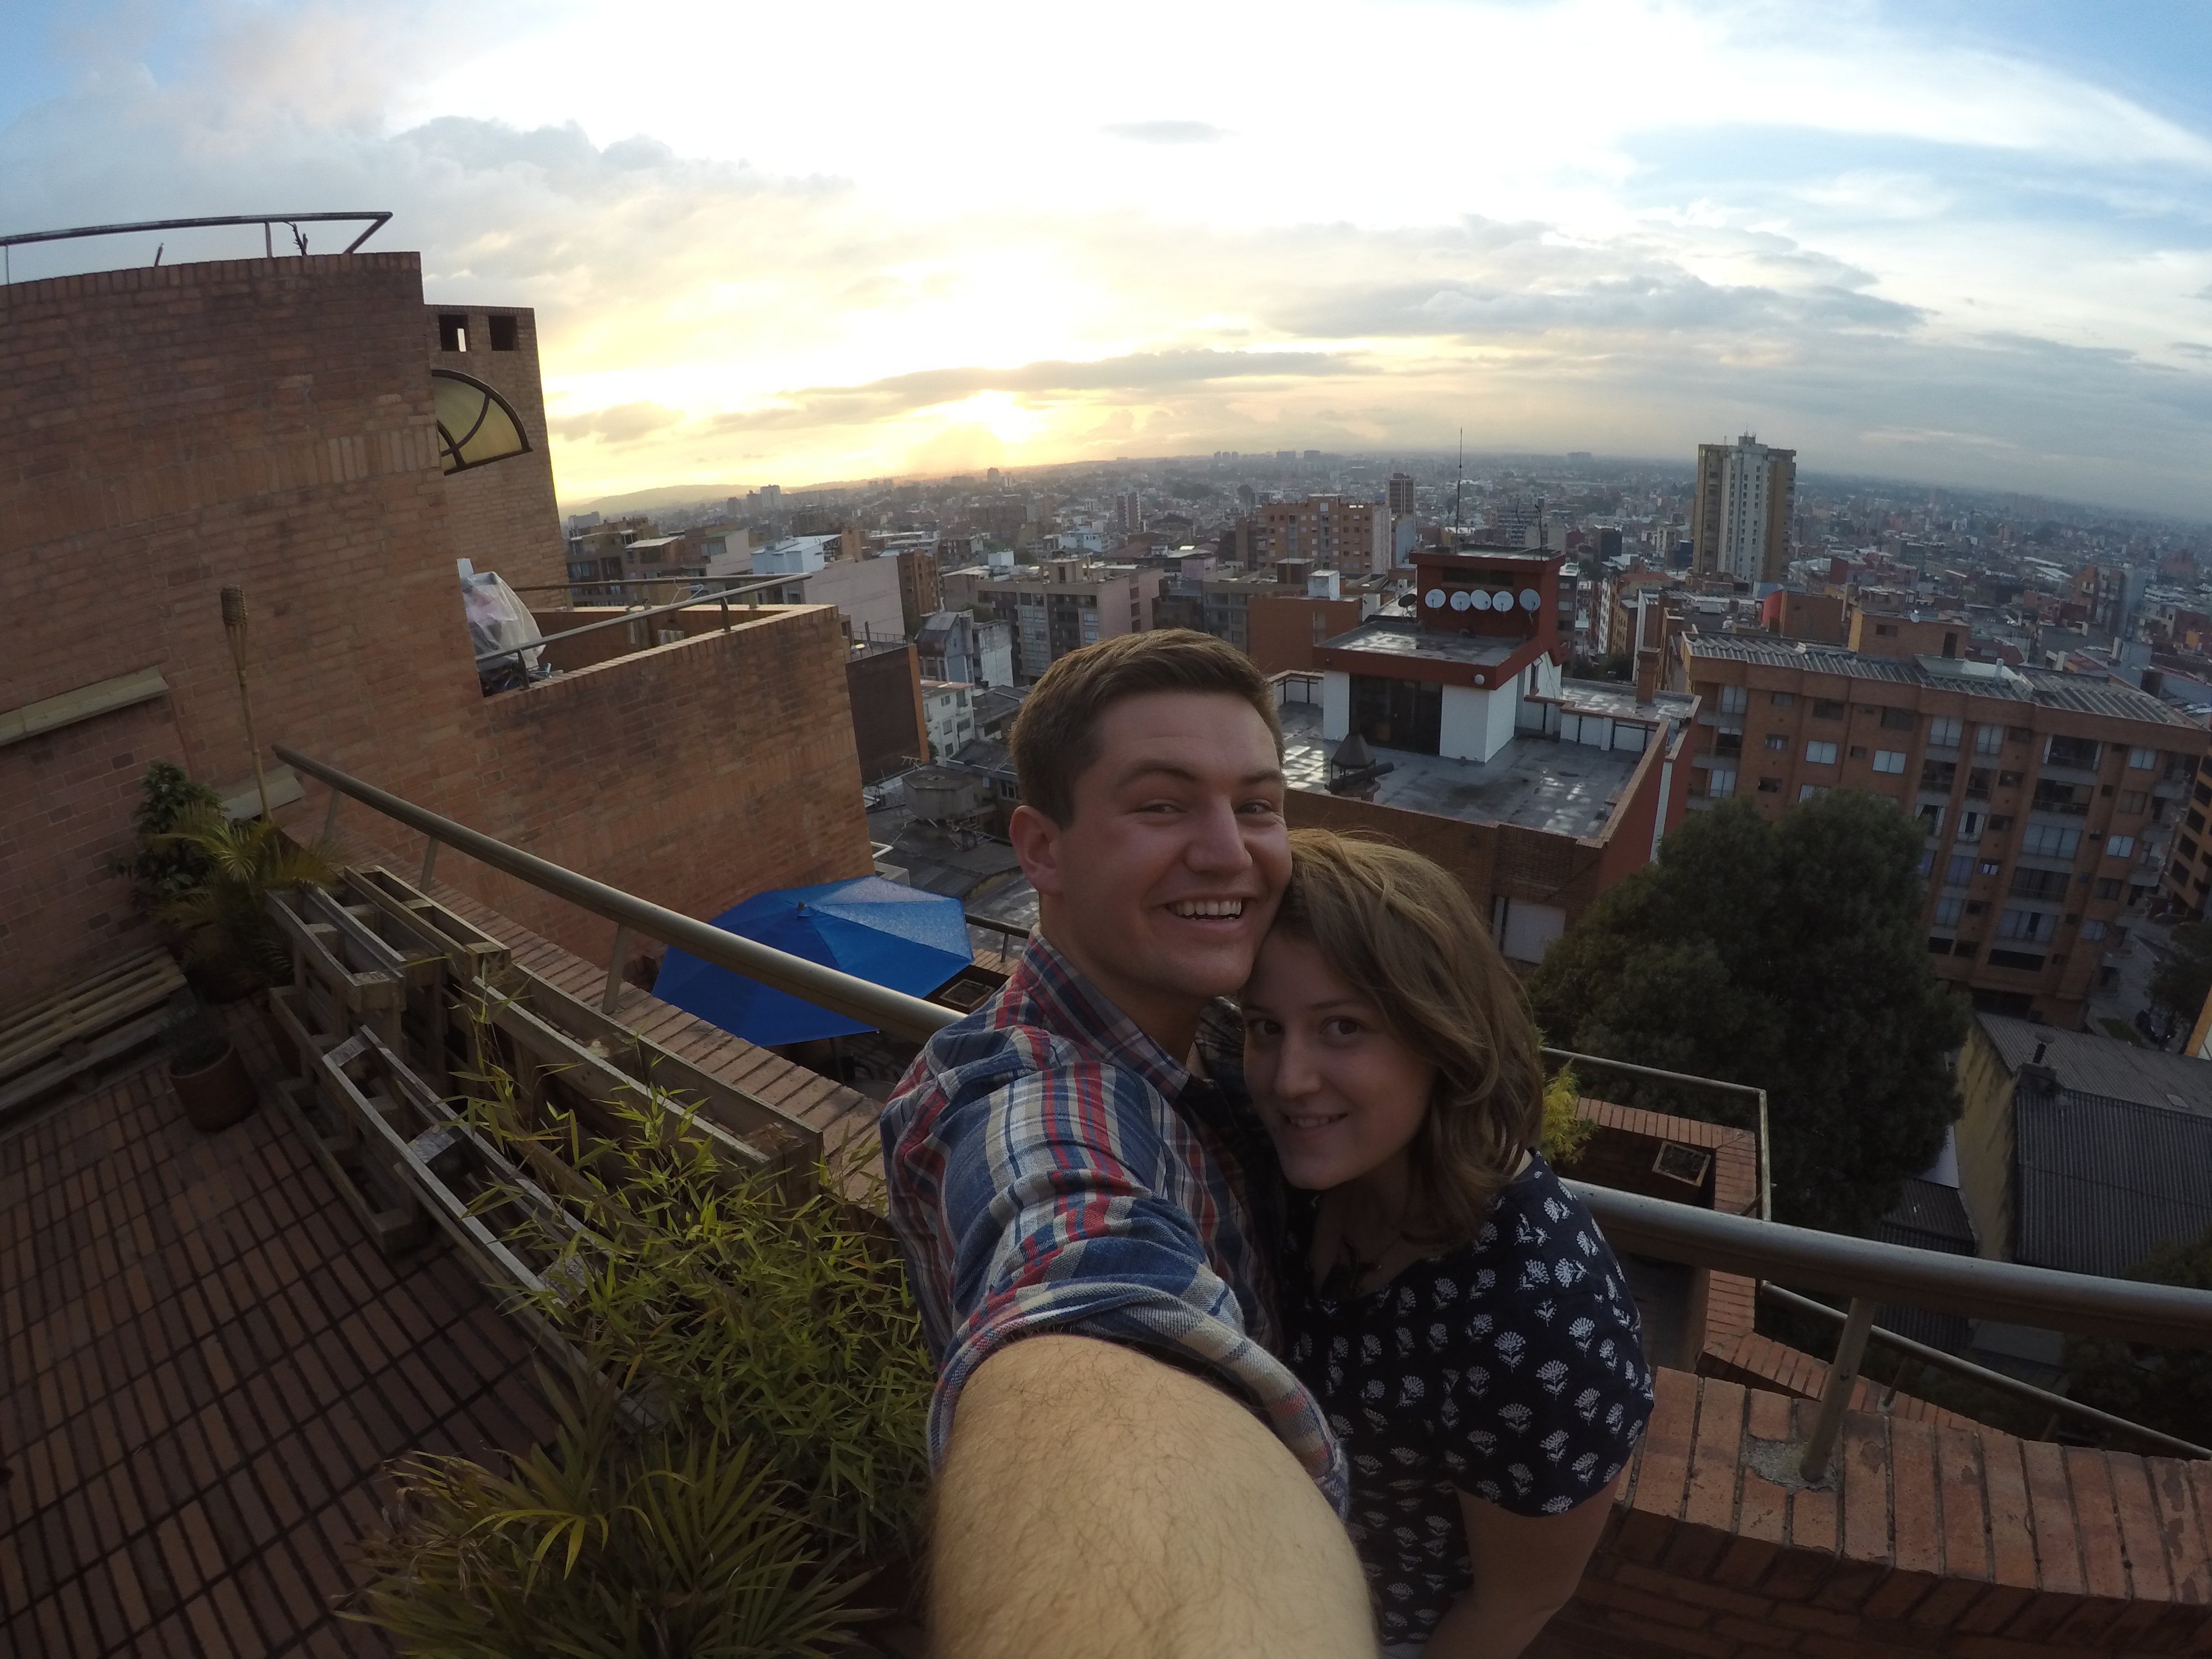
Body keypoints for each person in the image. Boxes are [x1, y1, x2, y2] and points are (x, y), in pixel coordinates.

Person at [880, 631, 1376, 1658]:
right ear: (1040, 849)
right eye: (1161, 805)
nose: (1230, 853)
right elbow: (1075, 1268)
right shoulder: (1028, 1097)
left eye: (1258, 805)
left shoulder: (1227, 1041)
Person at [1241, 831, 1653, 1659]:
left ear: (1442, 1037)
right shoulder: (1299, 1172)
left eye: (1343, 1027)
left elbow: (1517, 1603)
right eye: (1264, 1027)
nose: (1288, 1079)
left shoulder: (1542, 1319)